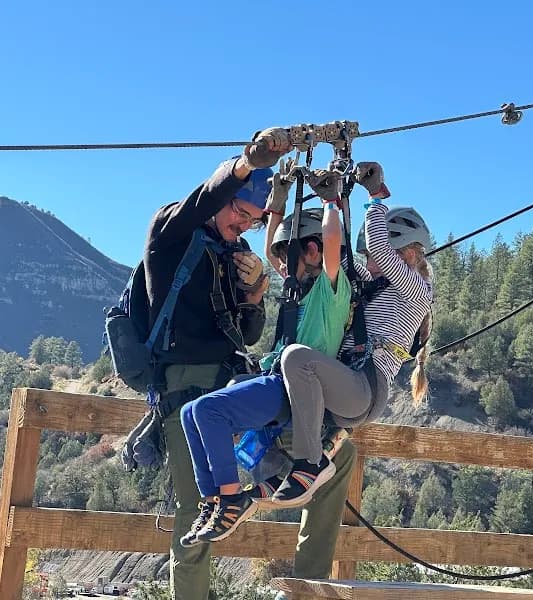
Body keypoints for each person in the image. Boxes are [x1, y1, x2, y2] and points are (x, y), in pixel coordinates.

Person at [136, 127, 291, 600]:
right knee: (198, 508)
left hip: (227, 388)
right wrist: (246, 165)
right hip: (184, 387)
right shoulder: (172, 232)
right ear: (223, 199)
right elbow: (202, 199)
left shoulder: (234, 253)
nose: (243, 226)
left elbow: (246, 334)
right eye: (240, 212)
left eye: (253, 220)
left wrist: (256, 293)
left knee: (298, 461)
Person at [179, 167, 353, 545]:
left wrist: (330, 201)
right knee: (189, 413)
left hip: (295, 388)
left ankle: (231, 501)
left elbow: (332, 242)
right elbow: (274, 247)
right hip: (279, 381)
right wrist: (278, 201)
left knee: (209, 411)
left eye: (289, 258)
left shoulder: (330, 291)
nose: (281, 267)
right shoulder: (297, 290)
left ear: (311, 251)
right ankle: (213, 501)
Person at [270, 161, 434, 507]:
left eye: (373, 257)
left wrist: (375, 197)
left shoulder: (416, 289)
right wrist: (334, 201)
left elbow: (379, 250)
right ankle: (274, 469)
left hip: (365, 386)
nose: (369, 262)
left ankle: (309, 465)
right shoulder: (374, 284)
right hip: (347, 380)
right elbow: (337, 257)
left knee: (296, 358)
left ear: (407, 253)